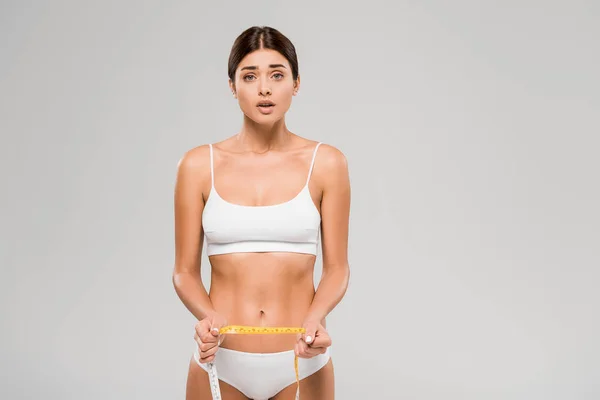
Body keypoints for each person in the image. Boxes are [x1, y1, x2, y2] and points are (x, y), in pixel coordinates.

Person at [172, 25, 351, 400]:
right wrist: (207, 316)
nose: (264, 88)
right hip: (220, 360)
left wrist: (316, 319)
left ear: (296, 83)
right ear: (232, 86)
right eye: (249, 76)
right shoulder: (197, 165)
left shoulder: (326, 163)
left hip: (302, 361)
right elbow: (185, 272)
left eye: (277, 74)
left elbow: (337, 268)